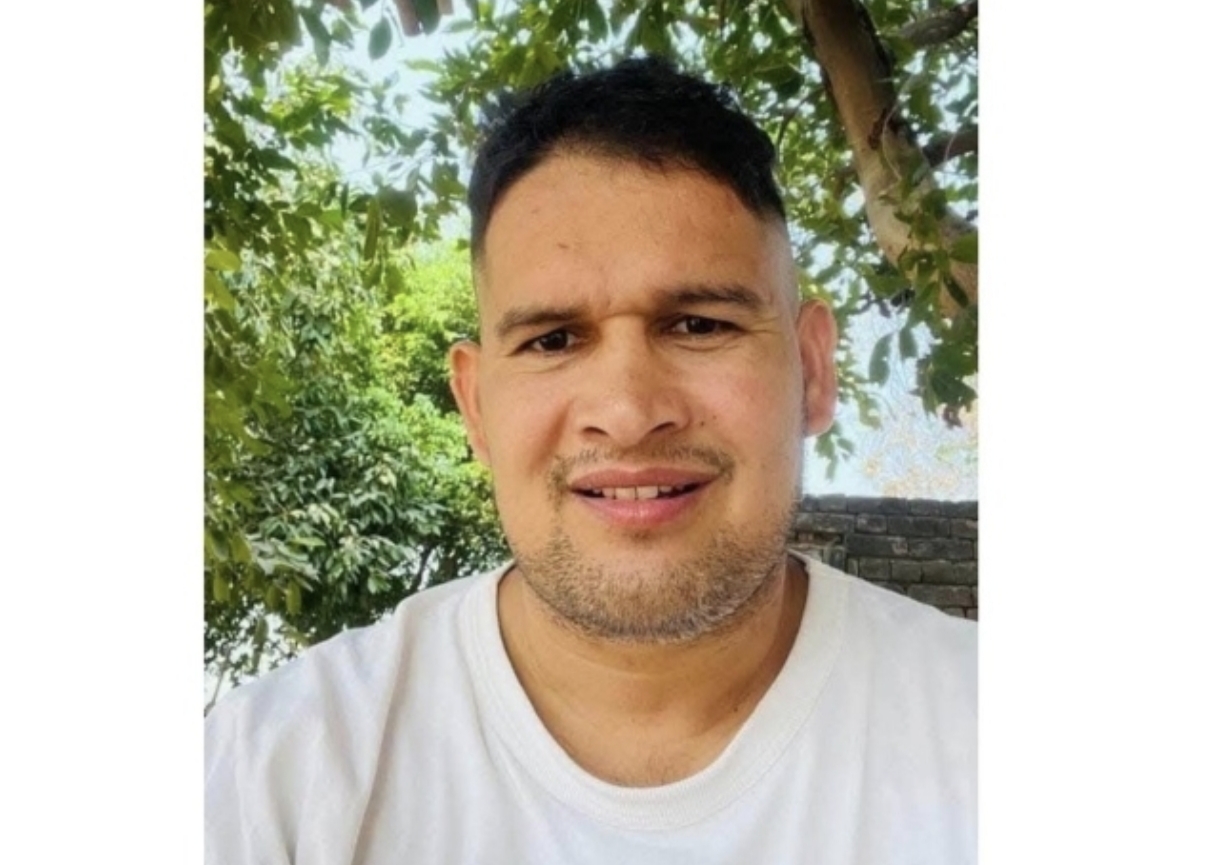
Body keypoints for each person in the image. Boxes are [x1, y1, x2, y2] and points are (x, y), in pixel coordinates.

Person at [205, 56, 977, 864]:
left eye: (698, 325)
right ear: (476, 406)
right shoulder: (276, 778)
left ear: (812, 371)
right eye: (552, 340)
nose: (628, 412)